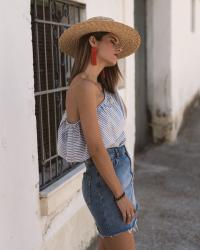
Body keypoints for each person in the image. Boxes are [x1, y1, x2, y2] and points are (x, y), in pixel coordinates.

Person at [57, 16, 141, 250]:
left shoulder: (101, 85)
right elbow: (95, 147)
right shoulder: (83, 86)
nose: (119, 48)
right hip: (106, 183)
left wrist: (123, 189)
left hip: (118, 175)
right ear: (93, 41)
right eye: (112, 41)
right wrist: (119, 196)